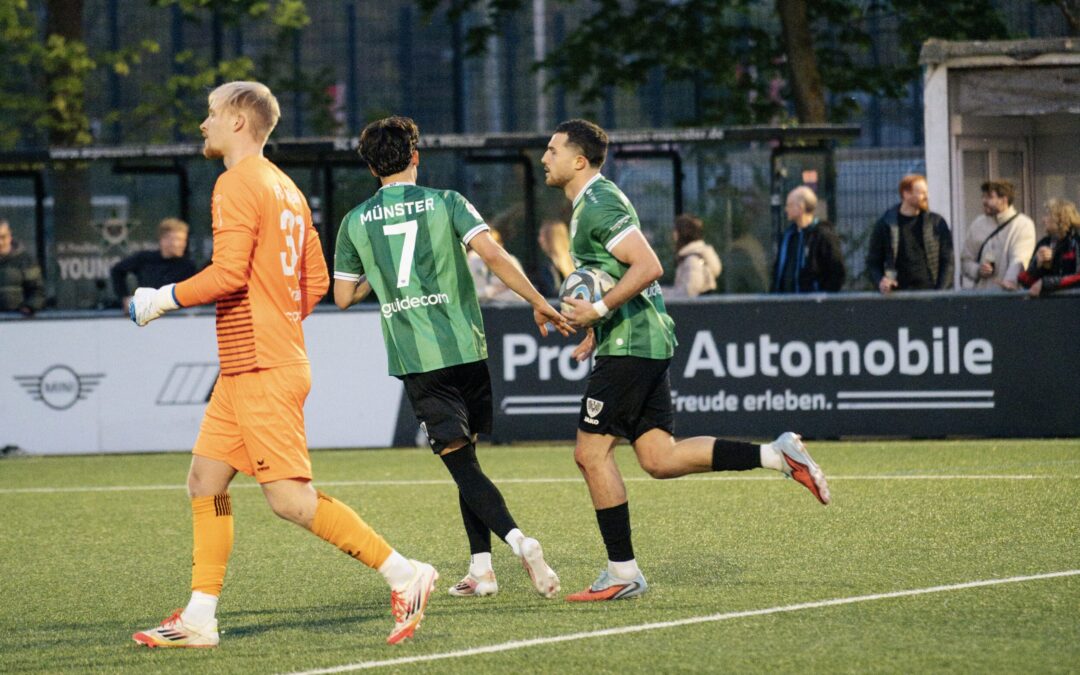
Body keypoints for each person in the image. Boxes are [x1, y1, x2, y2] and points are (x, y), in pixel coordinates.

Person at [127, 83, 436, 648]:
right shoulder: (287, 188)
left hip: (263, 366)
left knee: (290, 501)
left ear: (240, 122)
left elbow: (228, 275)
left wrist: (160, 298)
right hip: (255, 363)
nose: (204, 123)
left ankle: (405, 573)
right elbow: (314, 281)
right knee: (205, 480)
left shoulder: (236, 182)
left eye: (213, 113)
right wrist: (275, 317)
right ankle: (199, 617)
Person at [542, 119, 830, 602]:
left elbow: (649, 265)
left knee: (590, 453)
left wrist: (599, 309)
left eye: (552, 150)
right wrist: (599, 324)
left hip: (633, 345)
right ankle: (776, 455)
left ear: (578, 160)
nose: (544, 157)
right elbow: (617, 272)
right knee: (659, 457)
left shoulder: (598, 202)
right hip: (637, 339)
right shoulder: (589, 204)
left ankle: (622, 572)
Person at [333, 116, 569, 601]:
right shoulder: (447, 202)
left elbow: (341, 296)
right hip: (466, 347)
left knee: (462, 465)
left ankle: (519, 541)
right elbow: (495, 258)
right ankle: (481, 570)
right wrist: (538, 300)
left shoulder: (355, 221)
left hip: (419, 359)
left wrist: (376, 272)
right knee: (470, 457)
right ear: (415, 156)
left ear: (371, 167)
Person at [866, 174, 953, 293]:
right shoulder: (886, 224)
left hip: (929, 294)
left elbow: (947, 261)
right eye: (921, 192)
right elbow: (873, 262)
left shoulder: (936, 223)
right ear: (906, 194)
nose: (926, 196)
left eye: (926, 192)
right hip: (897, 295)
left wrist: (940, 292)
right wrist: (881, 282)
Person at [959, 180, 1036, 291]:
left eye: (990, 197)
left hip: (1010, 297)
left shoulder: (1023, 224)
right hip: (982, 297)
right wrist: (978, 270)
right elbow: (966, 260)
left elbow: (1019, 259)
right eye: (983, 197)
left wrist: (1009, 282)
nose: (984, 201)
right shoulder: (977, 224)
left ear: (1004, 199)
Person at [770, 186, 846, 293]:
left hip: (813, 305)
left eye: (789, 205)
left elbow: (836, 272)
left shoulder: (823, 236)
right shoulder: (788, 236)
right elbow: (778, 270)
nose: (786, 209)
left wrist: (822, 299)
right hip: (785, 304)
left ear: (801, 207)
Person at [110, 217, 197, 307]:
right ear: (162, 240)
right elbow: (117, 270)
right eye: (175, 239)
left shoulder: (188, 266)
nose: (179, 244)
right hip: (148, 314)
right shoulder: (145, 259)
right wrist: (125, 298)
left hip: (179, 316)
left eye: (183, 240)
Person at [1017, 197, 1080, 297]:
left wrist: (1046, 283)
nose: (1043, 220)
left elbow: (1078, 277)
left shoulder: (1076, 240)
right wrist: (1037, 264)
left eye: (1047, 215)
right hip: (1050, 307)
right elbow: (1025, 281)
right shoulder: (1044, 243)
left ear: (1060, 218)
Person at [668, 213, 722, 298]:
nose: (673, 235)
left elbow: (689, 292)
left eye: (676, 230)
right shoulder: (696, 255)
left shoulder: (692, 260)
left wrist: (666, 295)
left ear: (682, 233)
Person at [468, 228, 527, 303]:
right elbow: (470, 295)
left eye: (493, 246)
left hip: (510, 310)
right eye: (485, 246)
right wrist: (492, 290)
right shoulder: (473, 262)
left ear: (501, 245)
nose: (488, 250)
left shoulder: (510, 261)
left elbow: (521, 294)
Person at [0, 219, 44, 316]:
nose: (0, 242)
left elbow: (37, 290)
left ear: (10, 236)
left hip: (17, 322)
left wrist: (29, 307)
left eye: (3, 237)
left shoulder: (25, 261)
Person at [536, 219, 574, 297]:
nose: (539, 240)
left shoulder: (548, 267)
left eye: (542, 236)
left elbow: (549, 292)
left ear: (551, 239)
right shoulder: (576, 261)